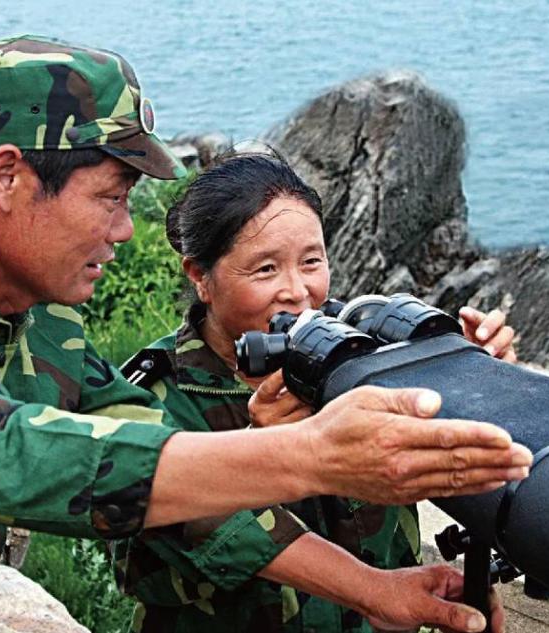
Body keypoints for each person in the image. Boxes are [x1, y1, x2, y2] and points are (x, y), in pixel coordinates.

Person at [0, 36, 531, 633]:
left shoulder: (34, 316)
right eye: (110, 196)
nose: (125, 231)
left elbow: (147, 463)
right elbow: (1, 453)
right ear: (9, 175)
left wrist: (373, 588)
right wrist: (309, 454)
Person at [112, 153, 520, 633]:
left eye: (312, 261)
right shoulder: (153, 397)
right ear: (201, 276)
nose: (298, 292)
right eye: (265, 269)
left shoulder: (367, 350)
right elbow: (179, 555)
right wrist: (257, 451)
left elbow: (458, 457)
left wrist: (465, 375)